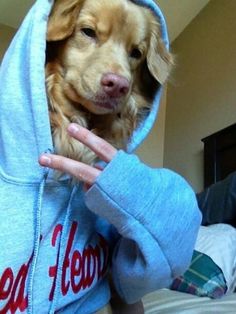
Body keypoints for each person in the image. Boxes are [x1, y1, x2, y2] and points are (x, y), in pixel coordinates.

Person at [0, 0, 202, 313]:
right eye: (90, 32)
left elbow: (140, 280)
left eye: (134, 53)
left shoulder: (108, 192)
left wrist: (127, 185)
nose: (118, 75)